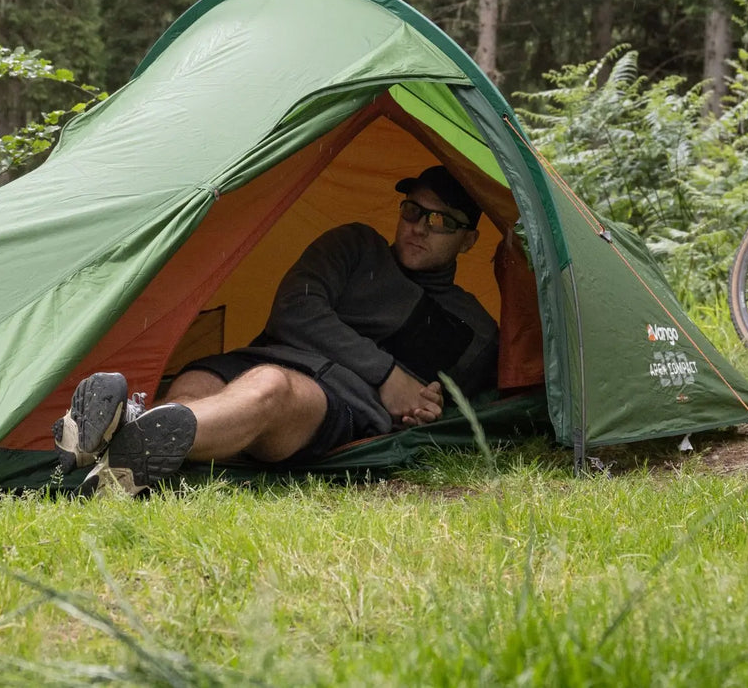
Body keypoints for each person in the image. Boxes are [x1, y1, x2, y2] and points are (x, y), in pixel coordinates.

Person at [52, 165, 499, 496]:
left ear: (469, 241)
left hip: (341, 399)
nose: (419, 227)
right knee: (196, 384)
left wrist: (423, 408)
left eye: (440, 221)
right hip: (263, 355)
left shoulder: (474, 328)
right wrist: (387, 374)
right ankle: (129, 460)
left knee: (268, 389)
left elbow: (462, 408)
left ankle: (121, 428)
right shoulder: (356, 245)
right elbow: (296, 309)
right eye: (412, 211)